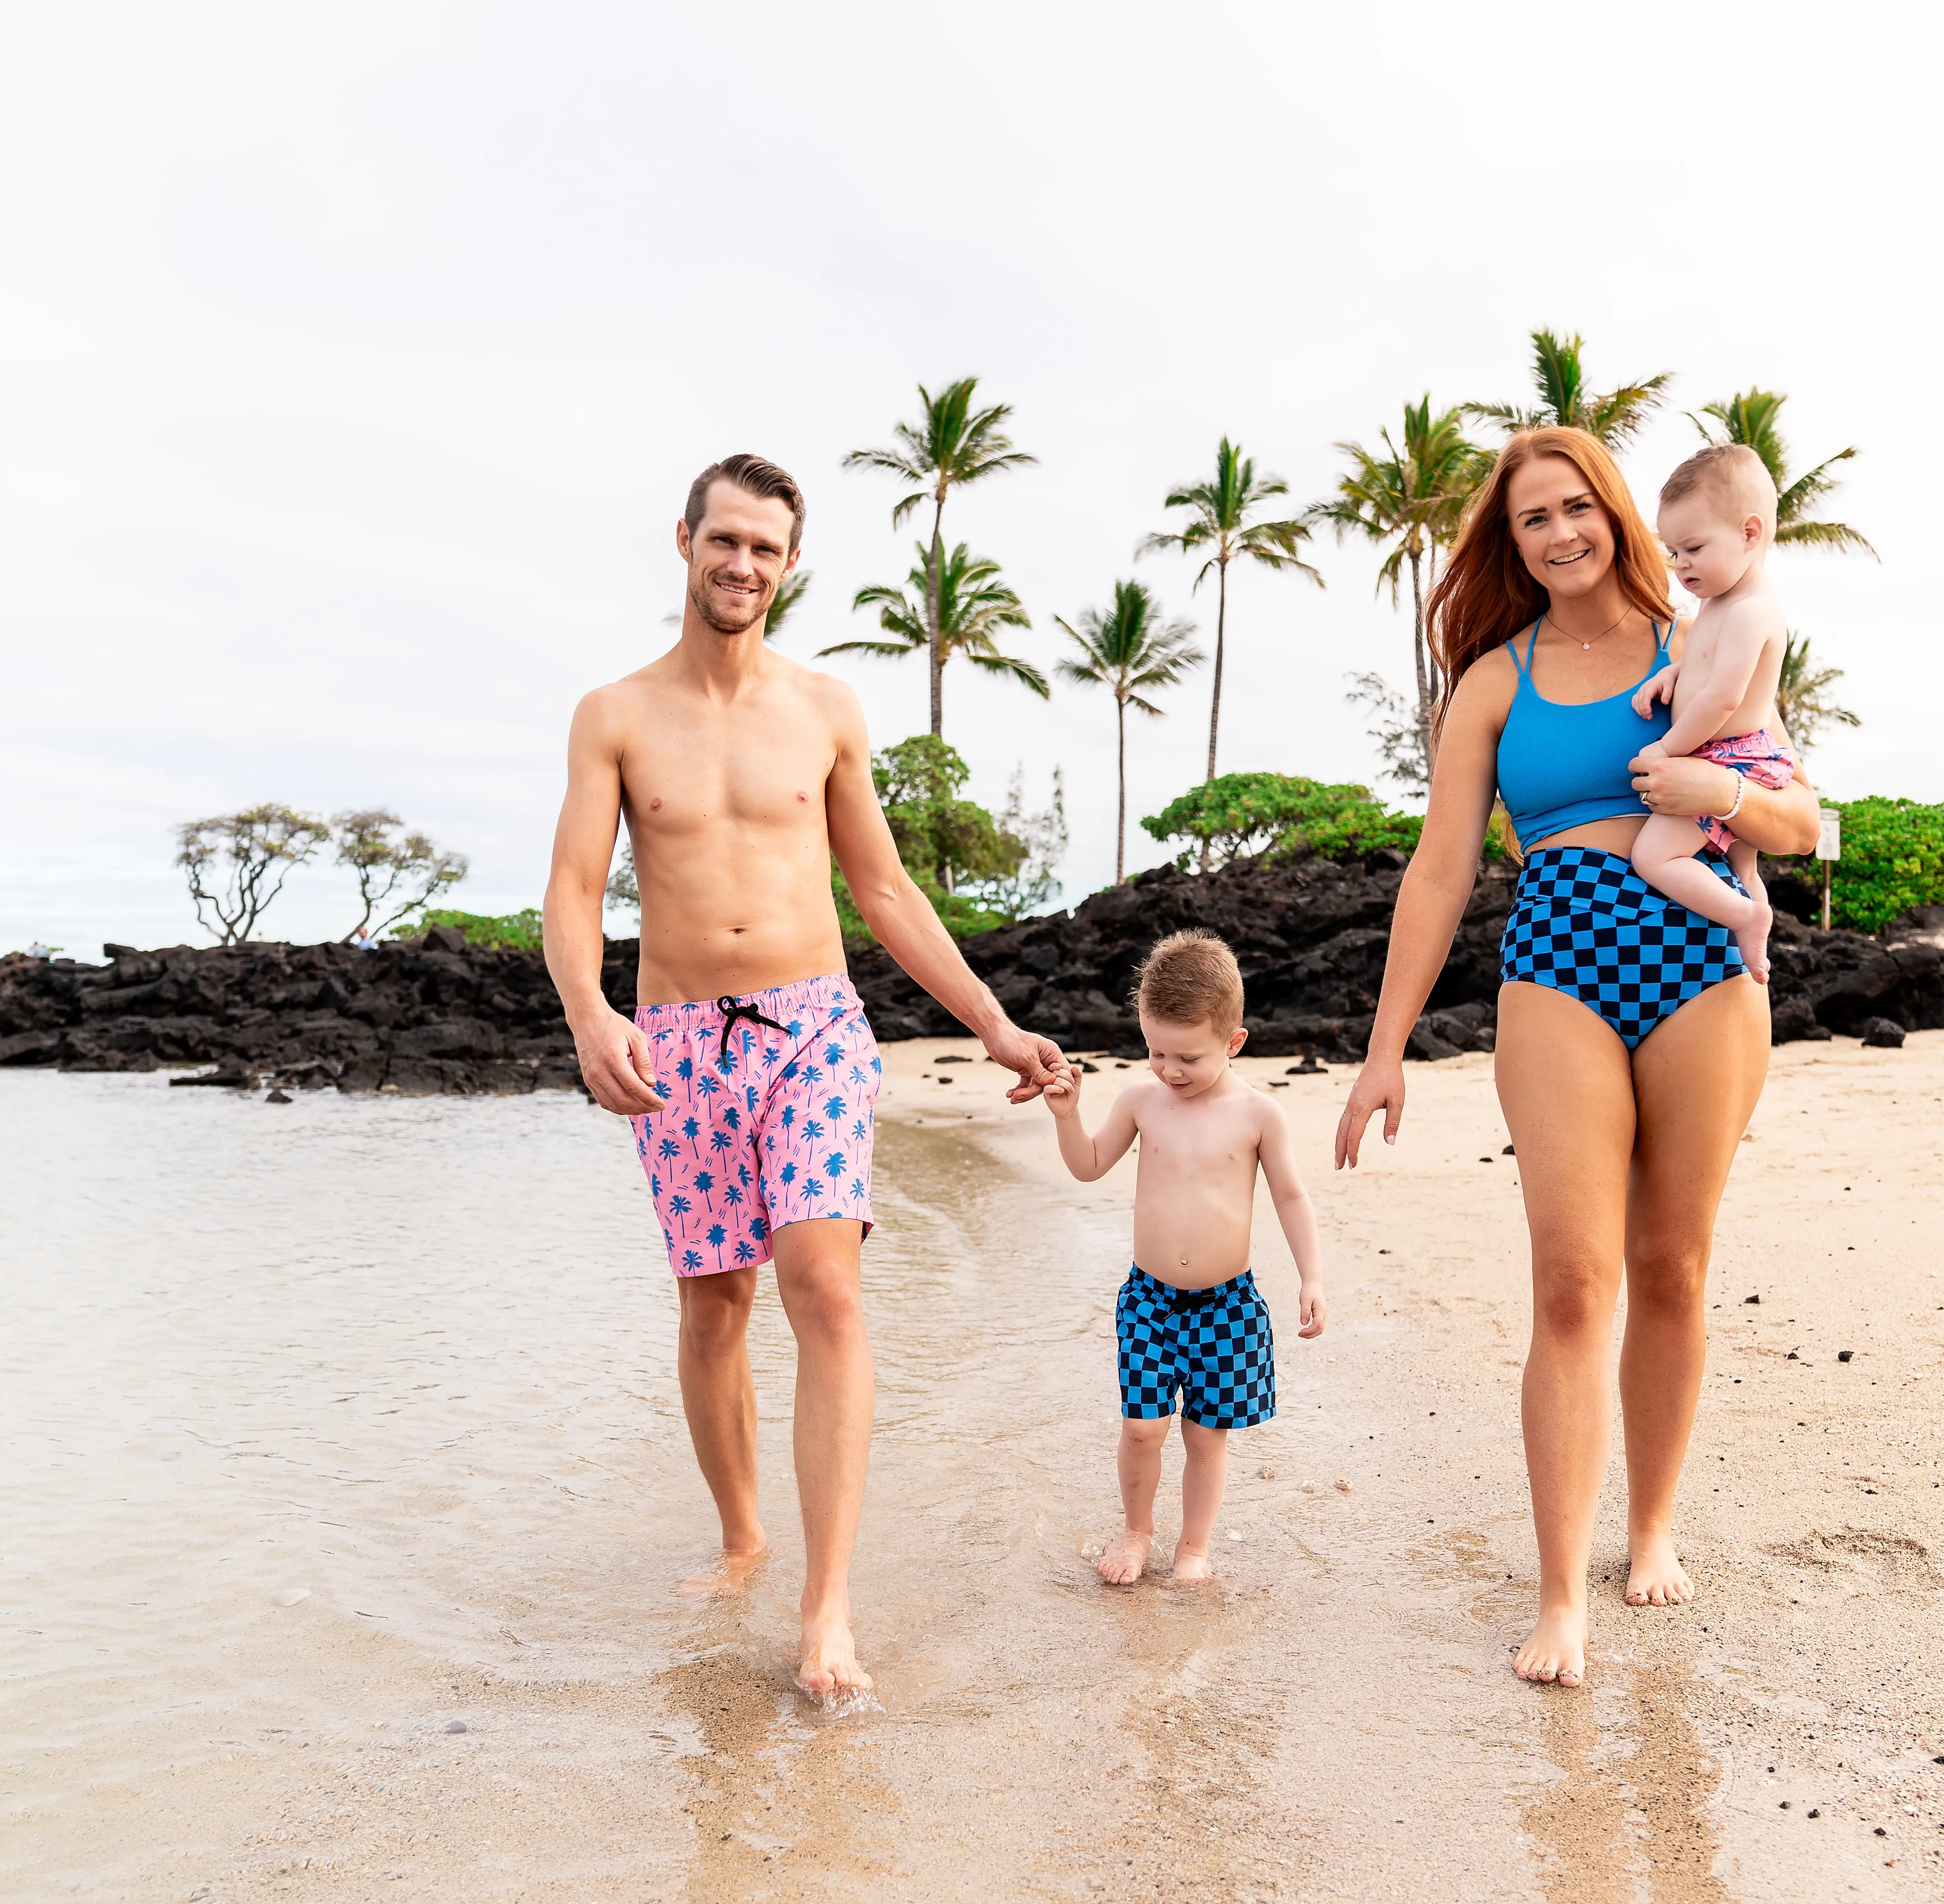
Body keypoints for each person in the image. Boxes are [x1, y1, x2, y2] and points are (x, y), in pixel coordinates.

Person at [542, 452, 1066, 1702]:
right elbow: (570, 890)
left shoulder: (825, 711)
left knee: (823, 1284)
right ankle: (742, 1537)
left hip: (815, 1026)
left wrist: (992, 1023)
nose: (743, 566)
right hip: (674, 1043)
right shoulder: (612, 715)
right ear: (685, 543)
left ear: (789, 564)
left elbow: (882, 889)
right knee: (716, 1304)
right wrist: (587, 1013)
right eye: (725, 541)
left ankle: (827, 1608)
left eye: (766, 550)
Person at [1328, 427, 1820, 1690]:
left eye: (1575, 509)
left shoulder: (1704, 635)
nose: (1556, 534)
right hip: (1558, 958)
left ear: (1617, 515)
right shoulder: (1495, 680)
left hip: (1700, 958)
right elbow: (1440, 869)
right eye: (1530, 519)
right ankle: (1560, 1594)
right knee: (1570, 1278)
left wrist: (1715, 799)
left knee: (1673, 1263)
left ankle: (1651, 1526)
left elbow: (1800, 820)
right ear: (1513, 542)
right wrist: (1385, 1049)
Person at [1037, 930, 1326, 1586]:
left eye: (1187, 1057)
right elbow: (1087, 1167)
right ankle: (1137, 1529)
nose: (1169, 1069)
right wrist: (1066, 1116)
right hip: (1149, 1299)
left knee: (1204, 1435)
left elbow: (1290, 1196)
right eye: (1155, 1051)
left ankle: (1193, 1546)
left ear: (1234, 1042)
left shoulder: (1259, 1114)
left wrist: (1312, 1276)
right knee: (1143, 1427)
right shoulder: (1141, 1102)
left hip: (1227, 1306)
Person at [1627, 444, 1798, 983]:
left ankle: (1747, 917)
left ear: (1750, 533)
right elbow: (1703, 665)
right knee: (1742, 866)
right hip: (1739, 757)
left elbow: (1725, 696)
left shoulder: (1752, 610)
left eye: (1694, 548)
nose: (1681, 566)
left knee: (1654, 858)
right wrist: (1670, 675)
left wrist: (1667, 749)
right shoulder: (1721, 602)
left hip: (1729, 758)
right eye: (1673, 551)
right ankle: (1753, 932)